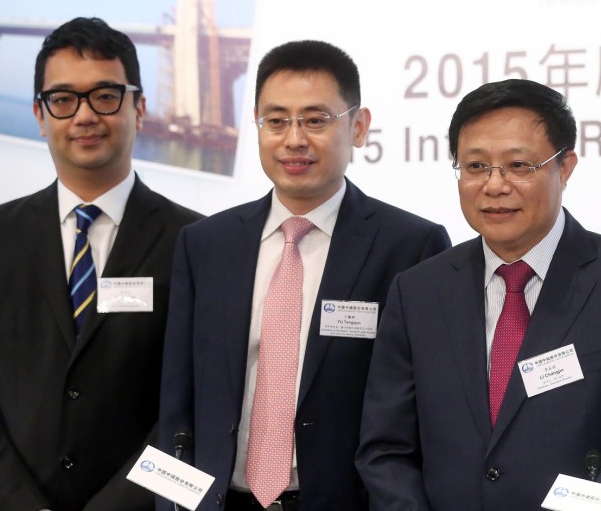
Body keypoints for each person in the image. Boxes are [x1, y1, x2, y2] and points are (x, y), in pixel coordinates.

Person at [357, 79, 601, 511]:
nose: (494, 185)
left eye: (518, 165)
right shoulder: (418, 291)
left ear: (565, 167)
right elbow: (386, 450)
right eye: (476, 166)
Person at [158, 40, 450, 511]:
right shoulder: (205, 244)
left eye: (315, 120)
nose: (294, 139)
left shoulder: (411, 246)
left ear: (358, 127)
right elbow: (178, 398)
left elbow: (427, 410)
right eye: (276, 121)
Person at [0, 17, 202, 511]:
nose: (85, 115)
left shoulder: (197, 243)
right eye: (63, 99)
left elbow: (201, 410)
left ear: (139, 108)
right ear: (40, 114)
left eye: (106, 96)